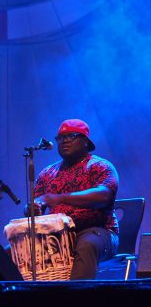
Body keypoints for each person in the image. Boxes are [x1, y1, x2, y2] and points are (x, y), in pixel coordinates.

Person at [30, 118, 119, 279]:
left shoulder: (100, 166)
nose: (64, 141)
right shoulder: (47, 173)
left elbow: (103, 196)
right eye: (60, 138)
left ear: (85, 141)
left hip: (98, 231)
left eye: (70, 136)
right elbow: (37, 202)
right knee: (12, 250)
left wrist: (61, 198)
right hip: (56, 235)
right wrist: (33, 208)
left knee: (86, 245)